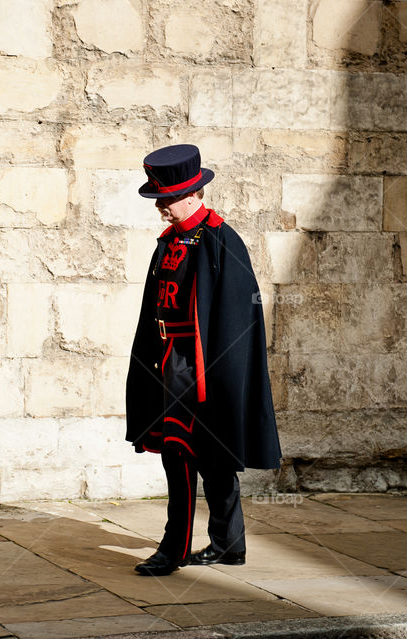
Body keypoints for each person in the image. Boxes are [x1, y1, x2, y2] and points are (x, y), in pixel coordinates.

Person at [125, 144, 282, 577]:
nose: (160, 208)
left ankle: (173, 549)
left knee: (192, 456)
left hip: (200, 369)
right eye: (158, 200)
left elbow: (238, 319)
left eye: (166, 199)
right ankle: (228, 545)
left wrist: (218, 381)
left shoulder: (220, 240)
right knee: (197, 456)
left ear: (193, 194)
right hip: (167, 364)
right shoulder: (170, 241)